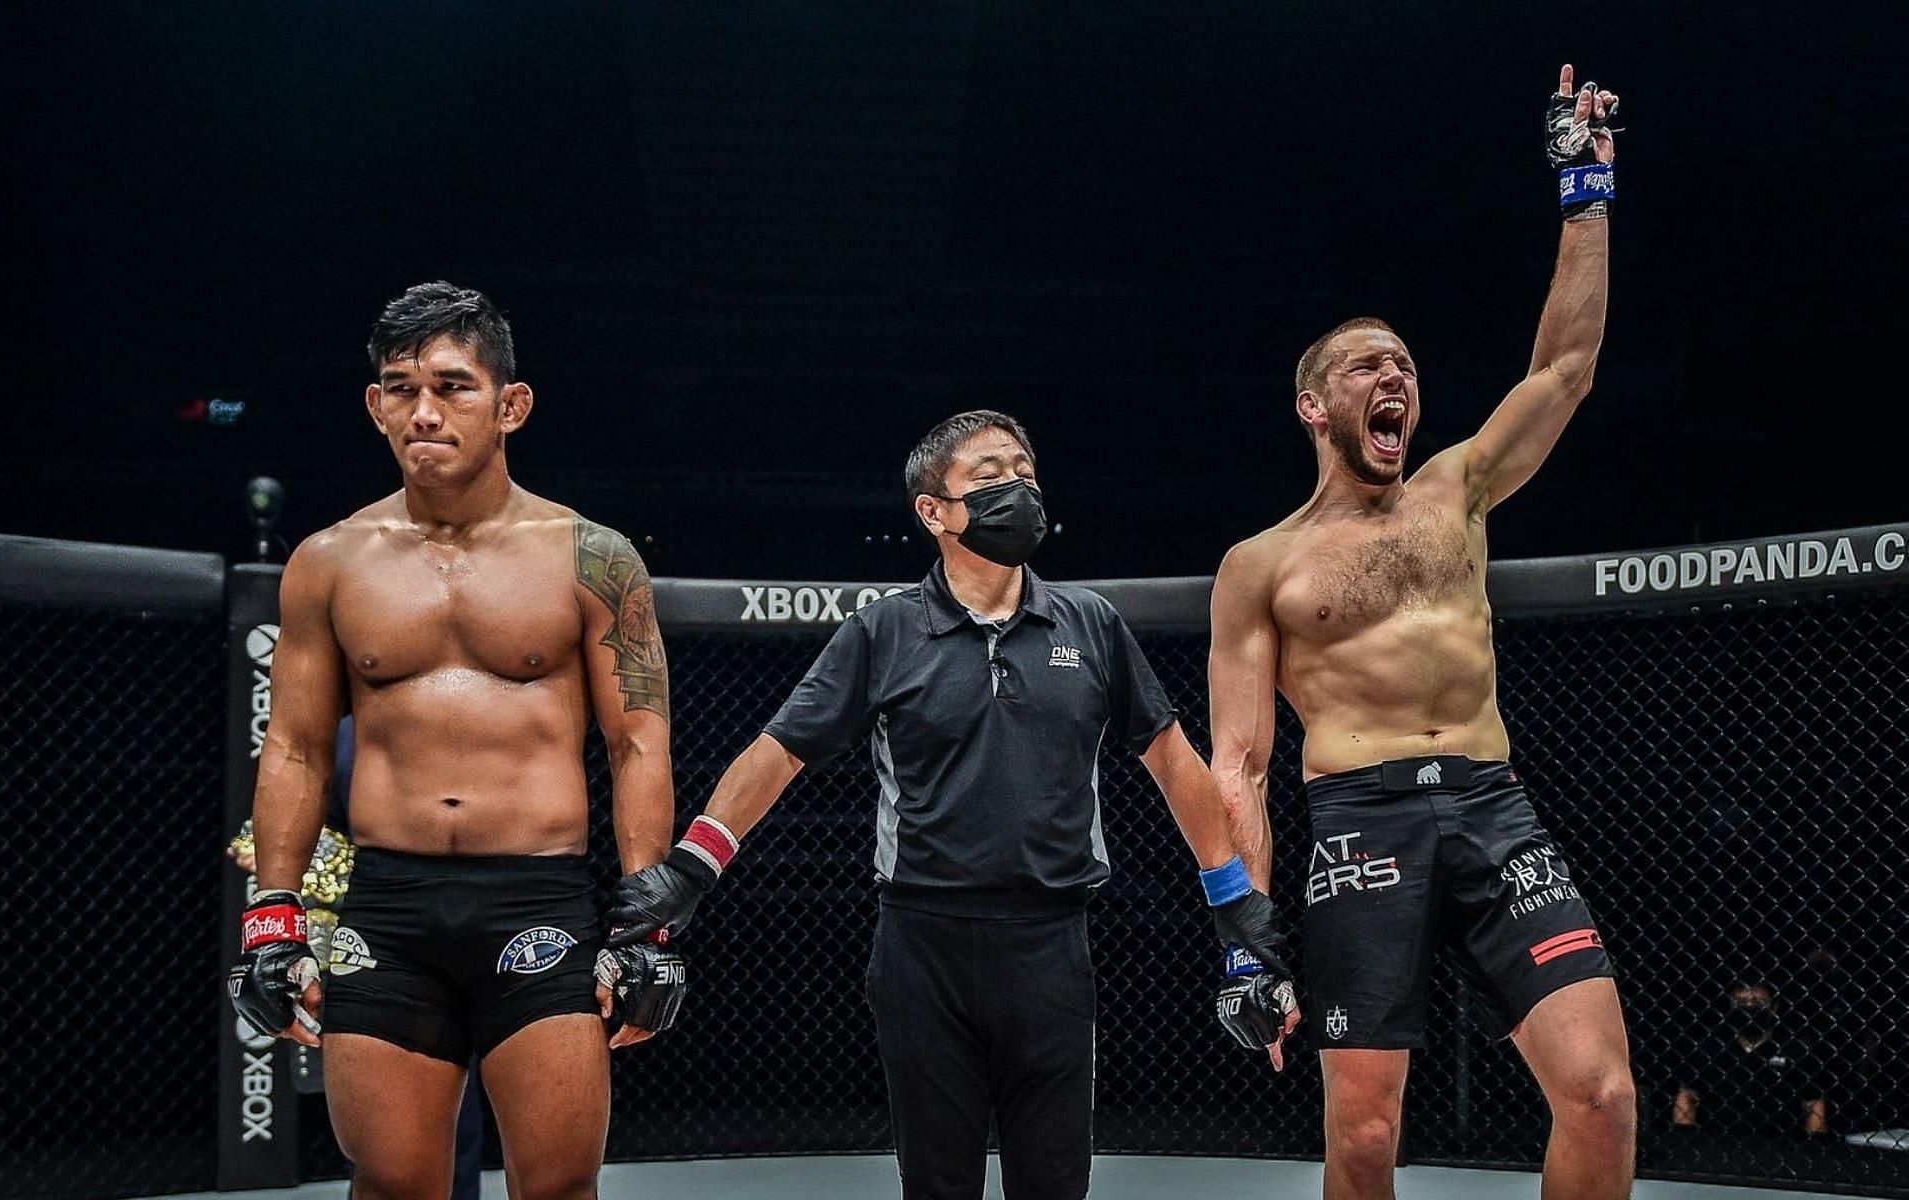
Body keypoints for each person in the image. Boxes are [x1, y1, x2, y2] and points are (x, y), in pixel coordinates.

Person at [605, 410, 1295, 1200]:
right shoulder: (884, 631)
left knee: (1056, 1185)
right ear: (934, 511)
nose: (1019, 488)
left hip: (1051, 944)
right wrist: (694, 866)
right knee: (937, 1186)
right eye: (991, 475)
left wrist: (1236, 908)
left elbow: (1175, 763)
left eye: (1025, 471)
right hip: (921, 948)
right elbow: (778, 752)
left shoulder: (1092, 625)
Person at [1207, 67, 1635, 1198]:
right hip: (1361, 822)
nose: (1394, 376)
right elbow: (1239, 765)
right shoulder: (1262, 564)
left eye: (1403, 364)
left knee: (1601, 1097)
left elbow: (1564, 367)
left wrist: (1583, 187)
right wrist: (1244, 933)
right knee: (1362, 1140)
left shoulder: (1459, 489)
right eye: (1366, 366)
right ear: (1315, 404)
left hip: (1495, 807)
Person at [225, 282, 678, 1200]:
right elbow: (298, 751)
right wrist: (272, 918)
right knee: (392, 1185)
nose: (423, 410)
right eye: (399, 386)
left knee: (556, 1187)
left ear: (510, 404)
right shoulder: (328, 561)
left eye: (452, 385)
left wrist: (648, 924)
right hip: (389, 907)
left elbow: (638, 743)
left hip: (539, 899)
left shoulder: (593, 556)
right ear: (373, 406)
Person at [227, 714, 490, 1200]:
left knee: (458, 1094)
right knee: (381, 1113)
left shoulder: (471, 721)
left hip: (473, 921)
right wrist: (311, 865)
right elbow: (276, 838)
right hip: (372, 931)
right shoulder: (342, 735)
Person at [1671, 978, 1828, 1137]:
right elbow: (1687, 1095)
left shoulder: (1794, 1050)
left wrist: (1814, 1146)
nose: (1749, 1006)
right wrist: (1685, 1139)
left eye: (1757, 1002)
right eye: (1741, 1002)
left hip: (1782, 1145)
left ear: (1773, 1007)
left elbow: (1813, 1102)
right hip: (1718, 1142)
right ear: (1731, 1005)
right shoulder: (1710, 1048)